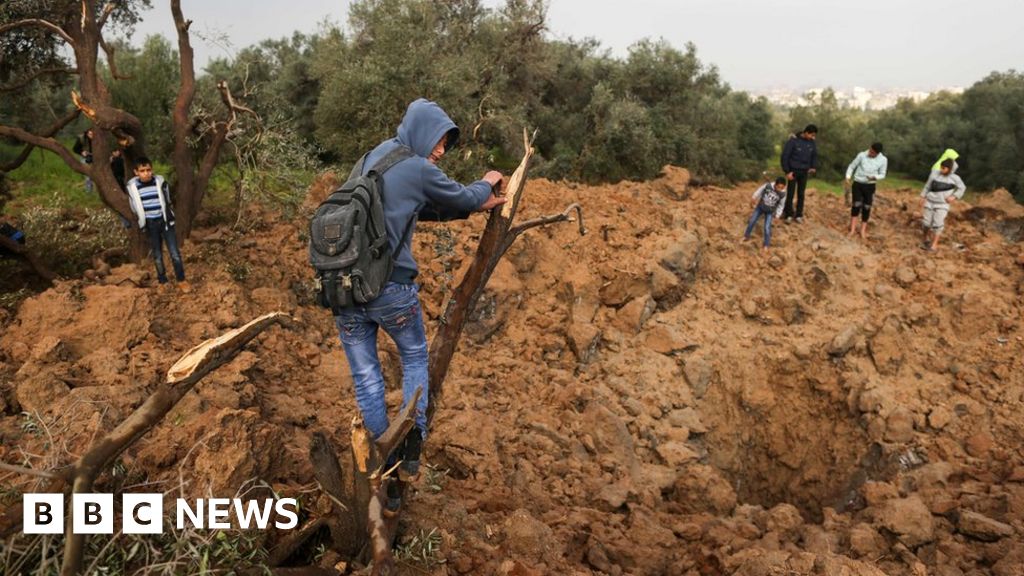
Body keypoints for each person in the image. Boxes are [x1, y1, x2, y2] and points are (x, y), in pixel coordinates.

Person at [333, 99, 504, 498]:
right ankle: (410, 446)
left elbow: (411, 209)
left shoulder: (373, 157)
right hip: (390, 287)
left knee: (366, 378)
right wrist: (487, 182)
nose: (441, 150)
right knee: (412, 356)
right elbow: (460, 197)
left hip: (344, 286)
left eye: (446, 143)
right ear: (421, 130)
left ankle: (381, 469)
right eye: (440, 140)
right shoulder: (415, 165)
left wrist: (471, 205)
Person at [125, 157, 187, 287]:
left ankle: (181, 280)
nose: (146, 173)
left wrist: (169, 216)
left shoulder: (159, 182)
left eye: (148, 170)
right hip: (150, 223)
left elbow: (167, 199)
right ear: (136, 172)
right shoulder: (133, 188)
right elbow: (134, 206)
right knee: (157, 255)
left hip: (164, 221)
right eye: (142, 171)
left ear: (152, 170)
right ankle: (162, 280)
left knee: (174, 253)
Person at [845, 142, 888, 240]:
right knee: (856, 205)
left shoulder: (883, 160)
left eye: (873, 153)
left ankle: (863, 230)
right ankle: (852, 229)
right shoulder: (861, 155)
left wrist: (874, 177)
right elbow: (852, 166)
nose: (870, 153)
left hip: (870, 185)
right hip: (858, 183)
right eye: (870, 151)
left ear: (878, 153)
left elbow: (883, 174)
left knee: (867, 207)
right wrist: (848, 177)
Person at [920, 159, 966, 252]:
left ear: (949, 169)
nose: (941, 169)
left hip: (942, 205)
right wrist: (923, 196)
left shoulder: (955, 178)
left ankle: (934, 245)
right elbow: (927, 186)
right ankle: (925, 238)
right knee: (926, 223)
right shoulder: (934, 174)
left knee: (938, 224)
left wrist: (954, 196)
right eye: (941, 167)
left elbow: (962, 188)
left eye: (944, 168)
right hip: (930, 202)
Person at [780, 124, 818, 223]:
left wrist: (813, 166)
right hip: (793, 172)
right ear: (806, 132)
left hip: (804, 172)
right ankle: (788, 214)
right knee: (790, 193)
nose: (813, 137)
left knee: (801, 194)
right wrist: (787, 171)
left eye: (814, 135)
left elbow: (814, 155)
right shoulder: (793, 141)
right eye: (812, 135)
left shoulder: (812, 143)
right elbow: (785, 156)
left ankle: (798, 215)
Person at [742, 177, 787, 252]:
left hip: (770, 211)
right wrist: (754, 197)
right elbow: (759, 191)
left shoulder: (782, 194)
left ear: (784, 187)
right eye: (778, 187)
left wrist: (777, 215)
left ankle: (766, 244)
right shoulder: (768, 186)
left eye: (781, 187)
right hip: (760, 207)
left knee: (767, 227)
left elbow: (781, 205)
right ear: (775, 184)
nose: (779, 189)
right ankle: (746, 236)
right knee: (752, 221)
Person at [72, 129, 95, 193]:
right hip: (85, 157)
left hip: (95, 157)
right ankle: (89, 191)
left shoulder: (97, 139)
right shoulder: (82, 139)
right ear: (87, 134)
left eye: (93, 134)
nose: (92, 136)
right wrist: (82, 152)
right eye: (90, 134)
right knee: (88, 175)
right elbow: (75, 149)